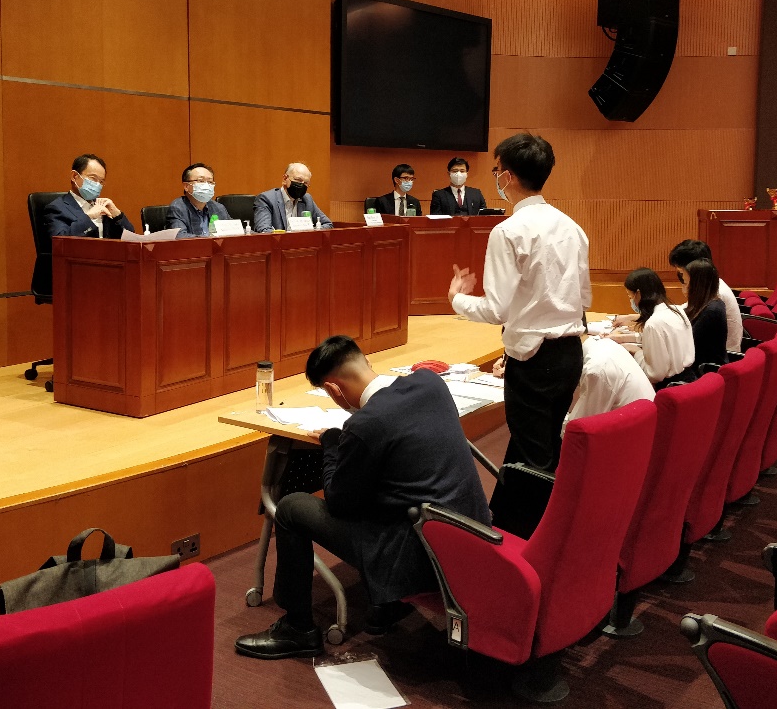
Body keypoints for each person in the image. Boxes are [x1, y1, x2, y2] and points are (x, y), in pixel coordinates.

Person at [234, 336, 490, 660]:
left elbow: (340, 503)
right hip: (470, 532)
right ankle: (387, 605)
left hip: (420, 556)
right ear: (367, 361)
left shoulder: (365, 424)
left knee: (290, 507)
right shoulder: (430, 383)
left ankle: (297, 630)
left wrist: (331, 443)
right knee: (389, 490)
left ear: (333, 390)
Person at [447, 132, 592, 478]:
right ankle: (530, 522)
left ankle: (528, 531)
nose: (495, 177)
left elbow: (497, 310)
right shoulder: (573, 228)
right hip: (570, 353)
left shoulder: (508, 231)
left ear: (507, 177)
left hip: (533, 359)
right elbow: (584, 296)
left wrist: (457, 300)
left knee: (532, 460)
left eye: (496, 170)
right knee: (545, 448)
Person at [609, 267, 695, 389]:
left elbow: (655, 374)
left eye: (630, 296)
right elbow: (660, 339)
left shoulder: (654, 323)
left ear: (638, 294)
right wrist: (622, 338)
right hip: (689, 379)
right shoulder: (677, 310)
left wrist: (636, 352)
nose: (631, 301)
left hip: (669, 387)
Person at [561, 336, 655, 435]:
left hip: (634, 435)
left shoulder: (596, 370)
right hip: (643, 423)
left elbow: (579, 430)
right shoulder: (603, 344)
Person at [668, 240, 743, 354]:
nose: (681, 276)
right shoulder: (711, 285)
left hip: (720, 356)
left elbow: (692, 337)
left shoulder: (716, 296)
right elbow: (688, 310)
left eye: (681, 271)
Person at [44, 153, 134, 239]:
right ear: (74, 176)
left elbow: (131, 239)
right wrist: (89, 217)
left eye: (101, 181)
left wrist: (117, 214)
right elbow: (59, 243)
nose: (97, 185)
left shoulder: (103, 207)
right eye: (93, 179)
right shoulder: (57, 208)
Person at [252, 163, 334, 232]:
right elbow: (264, 231)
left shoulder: (307, 199)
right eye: (298, 180)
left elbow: (328, 225)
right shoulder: (266, 199)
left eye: (306, 183)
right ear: (285, 179)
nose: (301, 185)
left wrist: (309, 232)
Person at [683, 258, 729, 371]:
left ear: (696, 285)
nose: (684, 286)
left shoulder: (712, 311)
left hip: (703, 371)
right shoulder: (707, 304)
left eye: (685, 282)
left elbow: (688, 345)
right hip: (697, 364)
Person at [166, 163, 231, 237]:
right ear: (186, 186)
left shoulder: (218, 208)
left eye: (210, 182)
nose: (206, 186)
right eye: (201, 181)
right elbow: (180, 237)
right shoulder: (177, 208)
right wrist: (211, 240)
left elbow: (235, 231)